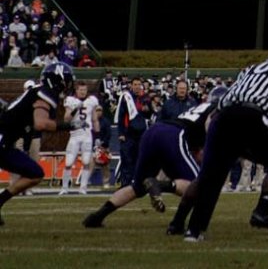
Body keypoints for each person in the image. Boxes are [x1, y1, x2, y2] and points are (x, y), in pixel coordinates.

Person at [183, 39, 268, 243]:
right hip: (252, 118)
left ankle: (193, 231)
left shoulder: (254, 68)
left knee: (211, 176)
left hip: (223, 116)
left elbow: (227, 97)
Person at [83, 87, 223, 229]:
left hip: (153, 132)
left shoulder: (198, 107)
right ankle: (164, 196)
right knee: (198, 186)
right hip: (173, 135)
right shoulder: (217, 110)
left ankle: (97, 216)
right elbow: (208, 125)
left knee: (137, 187)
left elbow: (196, 149)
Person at [0, 62, 73, 224]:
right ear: (59, 80)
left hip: (6, 143)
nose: (68, 85)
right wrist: (68, 126)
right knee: (35, 173)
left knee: (35, 173)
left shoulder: (37, 91)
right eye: (67, 81)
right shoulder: (45, 92)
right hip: (2, 141)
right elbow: (40, 123)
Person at [61, 79, 101, 193]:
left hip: (87, 135)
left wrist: (98, 136)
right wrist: (75, 109)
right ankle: (64, 188)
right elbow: (66, 119)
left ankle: (83, 188)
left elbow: (95, 119)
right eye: (81, 90)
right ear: (76, 90)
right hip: (74, 135)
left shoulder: (91, 100)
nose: (83, 92)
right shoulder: (71, 100)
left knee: (86, 162)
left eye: (85, 90)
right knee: (68, 162)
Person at [113, 77, 151, 187]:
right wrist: (121, 133)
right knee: (127, 160)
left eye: (139, 84)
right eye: (135, 84)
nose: (137, 86)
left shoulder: (146, 98)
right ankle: (126, 185)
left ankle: (138, 184)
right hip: (128, 134)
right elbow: (121, 116)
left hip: (142, 134)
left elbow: (150, 115)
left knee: (140, 160)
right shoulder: (126, 97)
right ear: (132, 86)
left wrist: (148, 109)